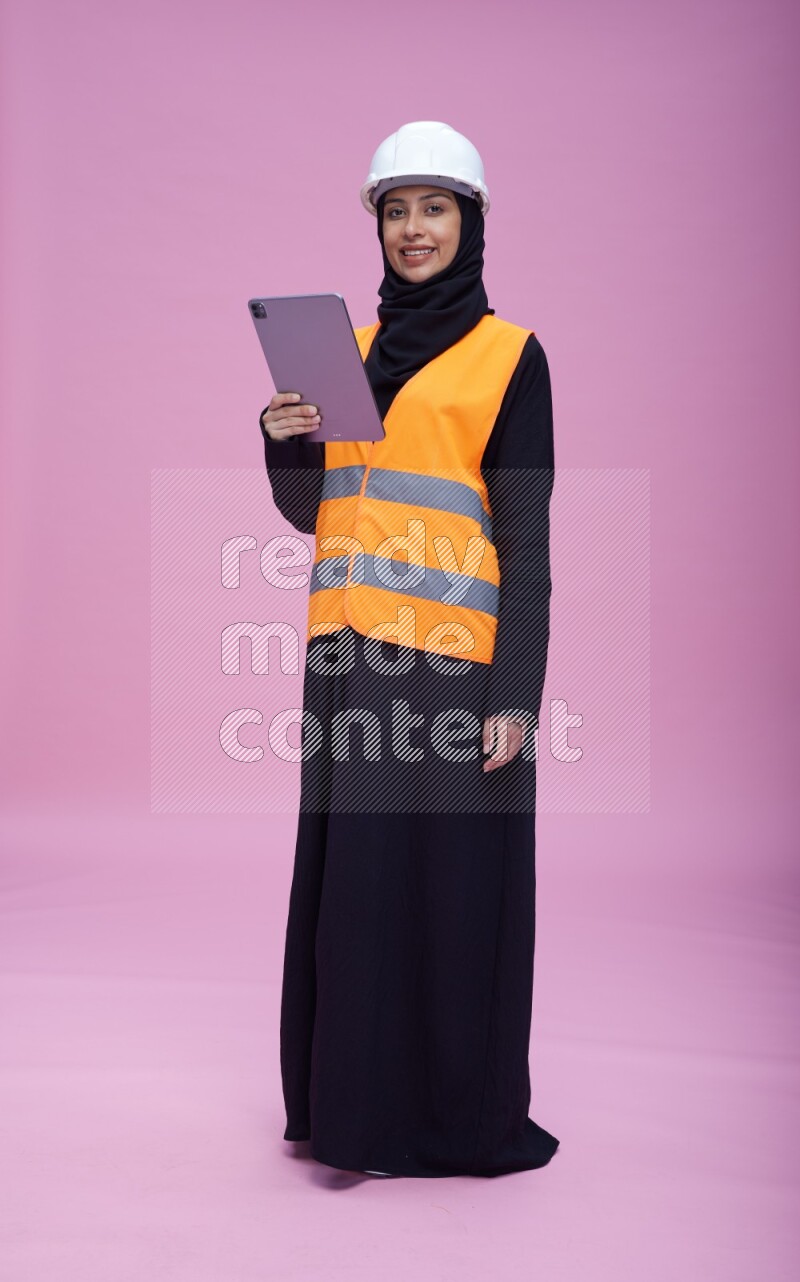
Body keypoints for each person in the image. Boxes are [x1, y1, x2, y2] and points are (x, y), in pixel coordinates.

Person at [259, 121, 559, 1178]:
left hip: (450, 668)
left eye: (434, 208)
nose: (413, 230)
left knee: (447, 893)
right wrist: (284, 431)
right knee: (359, 892)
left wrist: (513, 697)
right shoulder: (341, 358)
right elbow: (313, 511)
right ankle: (352, 1118)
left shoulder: (508, 357)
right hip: (347, 664)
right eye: (395, 211)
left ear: (469, 222)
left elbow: (525, 544)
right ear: (377, 229)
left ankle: (446, 1116)